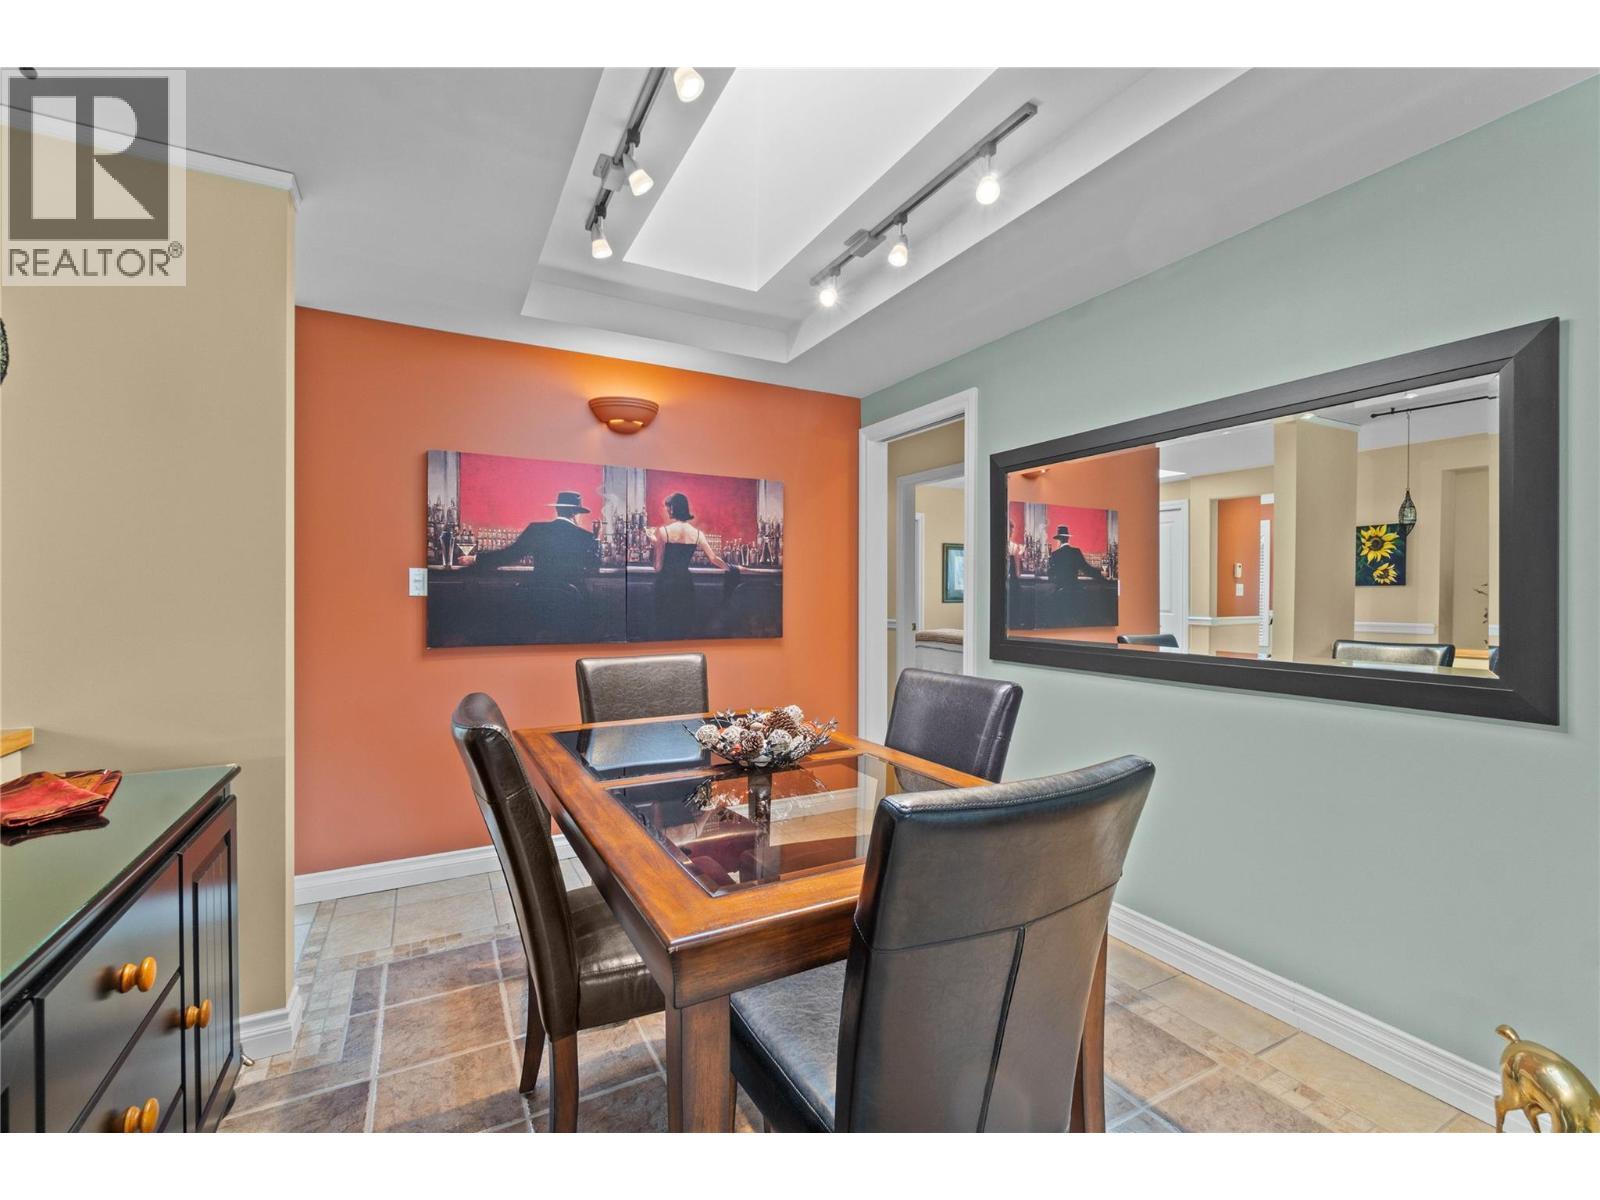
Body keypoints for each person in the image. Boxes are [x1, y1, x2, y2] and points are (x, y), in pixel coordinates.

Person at [469, 490, 599, 587]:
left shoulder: (536, 529)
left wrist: (475, 559)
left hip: (539, 599)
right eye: (580, 513)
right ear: (574, 513)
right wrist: (596, 539)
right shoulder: (586, 537)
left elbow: (509, 555)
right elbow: (593, 566)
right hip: (571, 602)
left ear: (557, 509)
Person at [648, 491, 731, 638]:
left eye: (669, 507)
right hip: (685, 584)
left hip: (666, 584)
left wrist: (655, 543)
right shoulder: (697, 534)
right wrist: (730, 568)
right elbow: (713, 558)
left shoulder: (663, 532)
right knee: (682, 627)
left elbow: (658, 567)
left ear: (673, 508)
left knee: (664, 628)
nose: (667, 510)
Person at [1048, 525, 1106, 589]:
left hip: (1061, 593)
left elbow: (1051, 575)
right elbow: (1087, 569)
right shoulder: (1076, 552)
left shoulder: (1055, 554)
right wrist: (1100, 574)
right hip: (1074, 590)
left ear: (1059, 540)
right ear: (1068, 538)